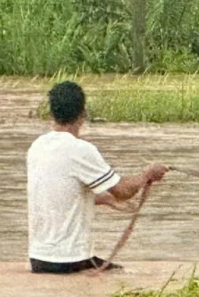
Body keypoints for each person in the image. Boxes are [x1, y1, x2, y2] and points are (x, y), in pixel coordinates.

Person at [28, 81, 169, 274]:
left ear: (51, 114)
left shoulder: (37, 146)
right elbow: (123, 191)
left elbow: (60, 193)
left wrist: (106, 200)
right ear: (82, 114)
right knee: (126, 275)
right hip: (70, 259)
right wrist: (147, 174)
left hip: (38, 258)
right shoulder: (81, 150)